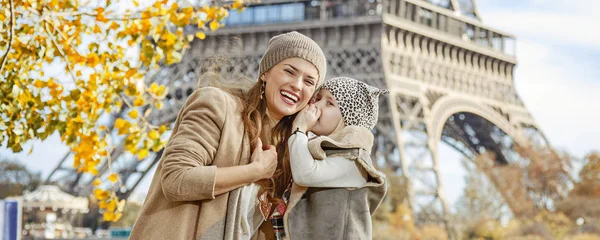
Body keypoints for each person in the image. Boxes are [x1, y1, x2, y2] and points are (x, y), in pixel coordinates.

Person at [130, 31, 327, 240]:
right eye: (289, 71)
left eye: (308, 82)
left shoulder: (290, 149)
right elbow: (176, 180)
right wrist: (255, 171)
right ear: (265, 73)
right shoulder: (216, 104)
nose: (297, 85)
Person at [271, 77, 388, 240]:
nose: (316, 105)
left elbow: (305, 174)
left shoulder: (353, 160)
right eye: (318, 98)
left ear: (348, 120)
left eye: (329, 103)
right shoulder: (323, 152)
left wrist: (299, 129)